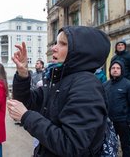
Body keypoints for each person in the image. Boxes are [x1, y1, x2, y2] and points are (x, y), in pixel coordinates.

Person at [7, 26, 110, 156]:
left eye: (63, 44)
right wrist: (22, 74)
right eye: (56, 42)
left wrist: (26, 116)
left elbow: (71, 145)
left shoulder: (87, 86)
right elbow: (28, 102)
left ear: (80, 51)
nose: (53, 48)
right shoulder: (59, 79)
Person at [103, 60, 130, 157]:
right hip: (108, 122)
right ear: (110, 70)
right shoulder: (105, 85)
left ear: (122, 70)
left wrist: (129, 120)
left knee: (125, 145)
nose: (115, 70)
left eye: (118, 68)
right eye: (113, 68)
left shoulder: (129, 85)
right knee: (109, 145)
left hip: (122, 121)